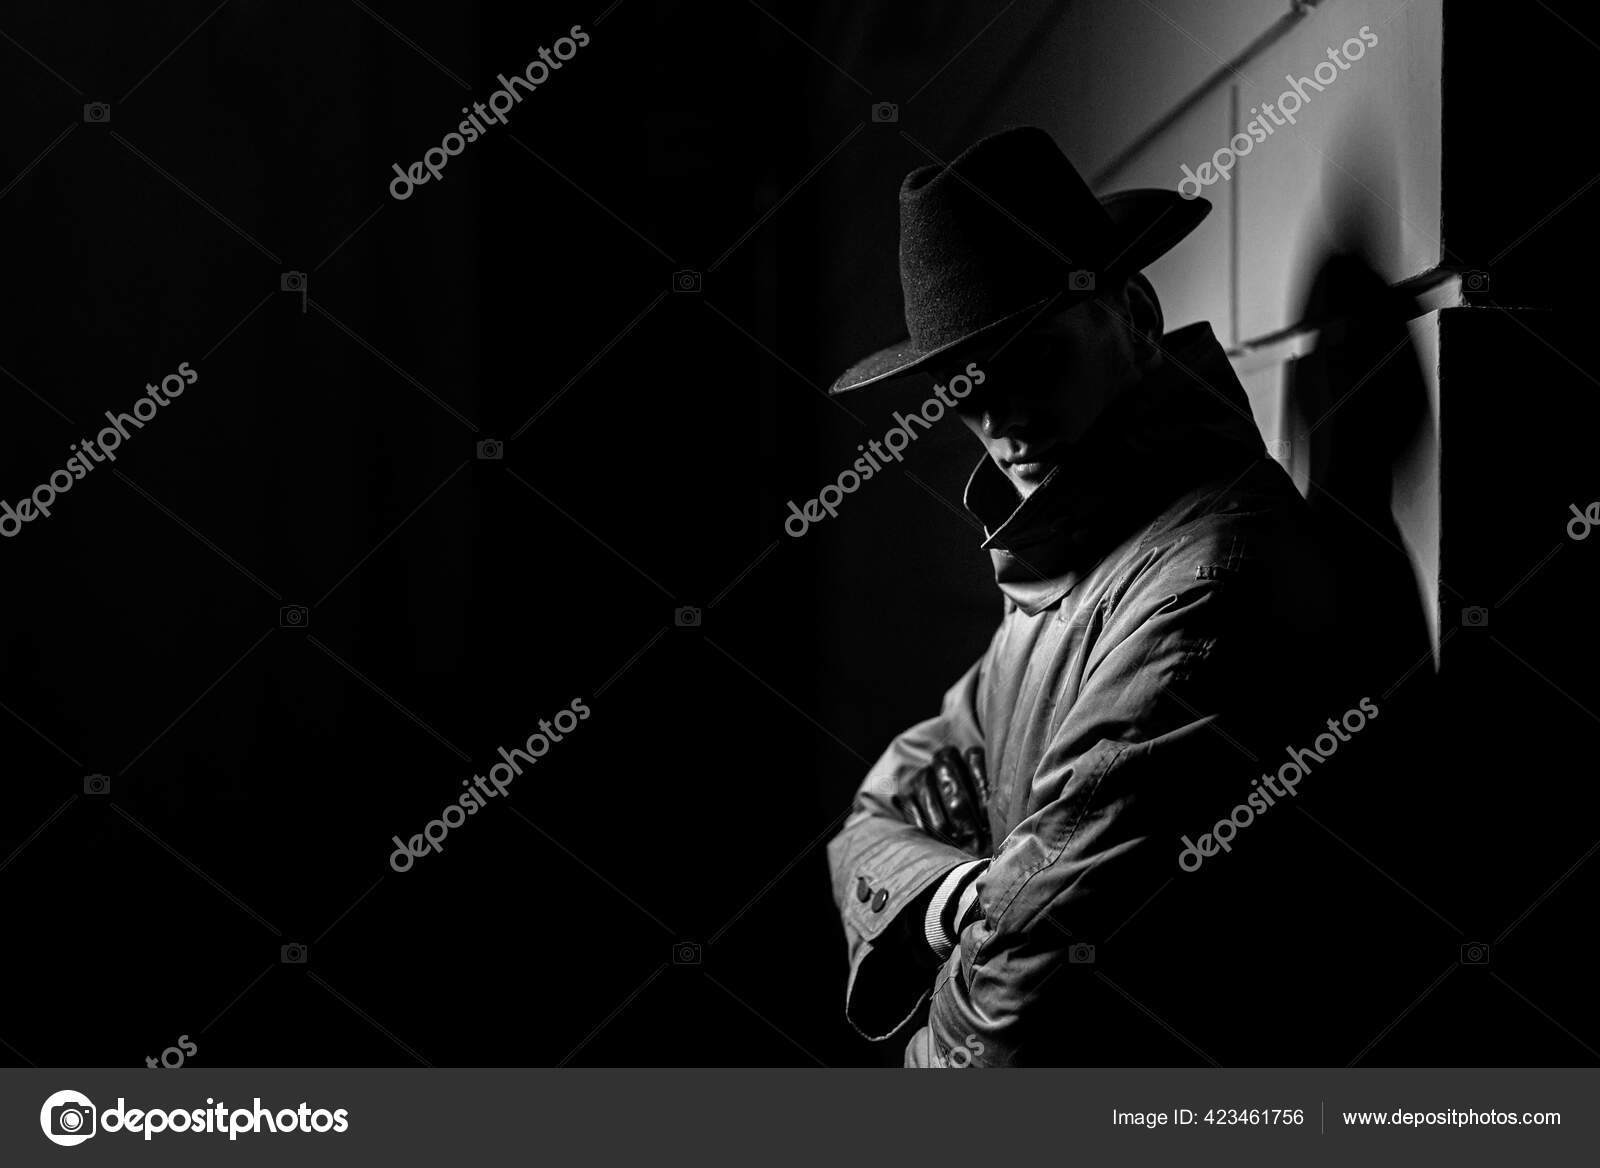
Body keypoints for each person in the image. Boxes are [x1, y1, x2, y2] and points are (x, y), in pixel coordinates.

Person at [825, 126, 1363, 1067]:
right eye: (962, 382)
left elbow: (1012, 1019)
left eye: (1032, 355)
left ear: (1139, 312)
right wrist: (957, 899)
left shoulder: (1204, 584)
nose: (995, 418)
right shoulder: (1070, 554)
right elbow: (883, 804)